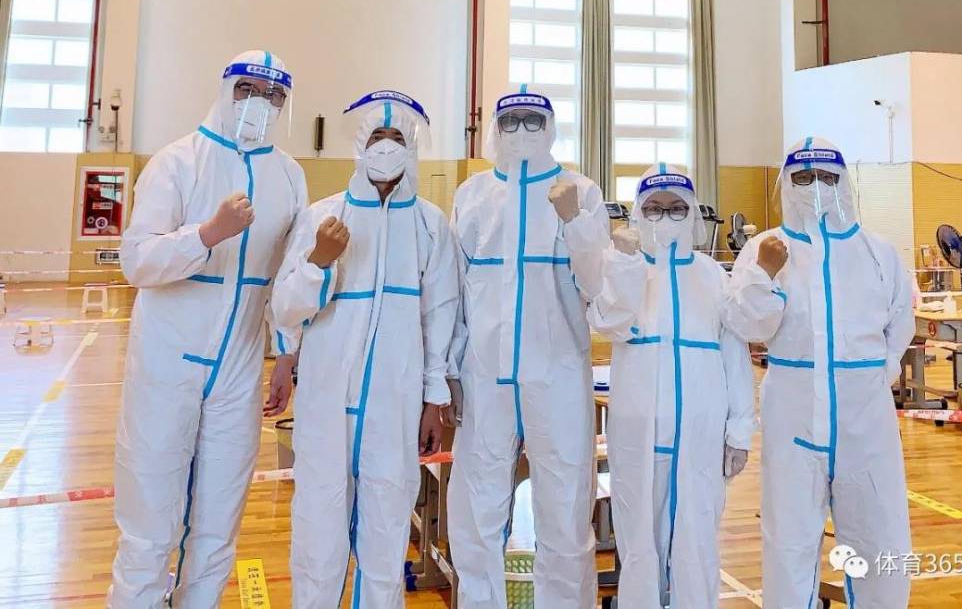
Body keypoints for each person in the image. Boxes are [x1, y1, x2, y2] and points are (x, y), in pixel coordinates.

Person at [108, 50, 308, 607]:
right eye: (248, 90)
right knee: (149, 522)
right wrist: (207, 234)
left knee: (219, 523)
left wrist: (286, 355)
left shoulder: (289, 176)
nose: (259, 104)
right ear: (225, 90)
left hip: (239, 371)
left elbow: (289, 275)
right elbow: (137, 262)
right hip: (166, 365)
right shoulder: (177, 163)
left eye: (273, 96)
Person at [269, 90, 459, 609]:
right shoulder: (323, 217)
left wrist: (434, 398)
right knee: (318, 532)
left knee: (386, 533)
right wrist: (319, 262)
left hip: (394, 406)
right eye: (377, 136)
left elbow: (440, 316)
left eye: (397, 137)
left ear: (412, 148)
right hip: (326, 402)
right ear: (360, 144)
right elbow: (285, 308)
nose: (387, 147)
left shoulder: (430, 225)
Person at [723, 137, 915, 609]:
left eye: (827, 177)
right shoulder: (764, 248)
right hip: (793, 412)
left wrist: (880, 373)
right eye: (804, 178)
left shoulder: (878, 252)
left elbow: (900, 321)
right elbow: (749, 325)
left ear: (843, 182)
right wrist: (764, 274)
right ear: (787, 183)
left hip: (865, 416)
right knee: (789, 540)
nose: (816, 188)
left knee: (880, 534)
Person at [446, 90, 609, 609]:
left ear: (551, 126)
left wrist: (576, 223)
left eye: (532, 120)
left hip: (558, 372)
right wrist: (448, 369)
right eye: (510, 120)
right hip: (484, 374)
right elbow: (453, 290)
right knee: (477, 507)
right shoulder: (473, 195)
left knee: (565, 506)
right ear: (495, 128)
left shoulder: (582, 191)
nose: (521, 130)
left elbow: (599, 285)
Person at [586, 164, 755, 608]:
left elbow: (734, 353)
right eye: (654, 208)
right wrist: (621, 265)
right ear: (638, 213)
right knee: (638, 539)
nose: (665, 217)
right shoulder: (623, 269)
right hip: (637, 429)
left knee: (697, 539)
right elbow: (606, 322)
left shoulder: (712, 274)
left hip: (700, 429)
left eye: (676, 208)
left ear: (692, 212)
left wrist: (740, 429)